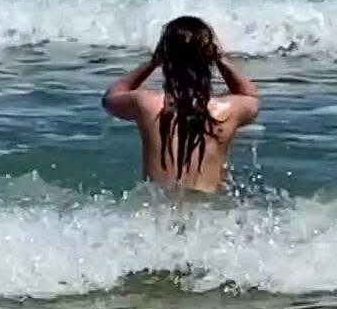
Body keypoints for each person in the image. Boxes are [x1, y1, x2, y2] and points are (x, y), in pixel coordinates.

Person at [102, 15, 259, 193]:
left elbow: (111, 96)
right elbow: (250, 95)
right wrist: (221, 60)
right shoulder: (226, 110)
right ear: (209, 56)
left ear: (164, 57)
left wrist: (152, 63)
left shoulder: (148, 104)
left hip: (157, 207)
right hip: (207, 208)